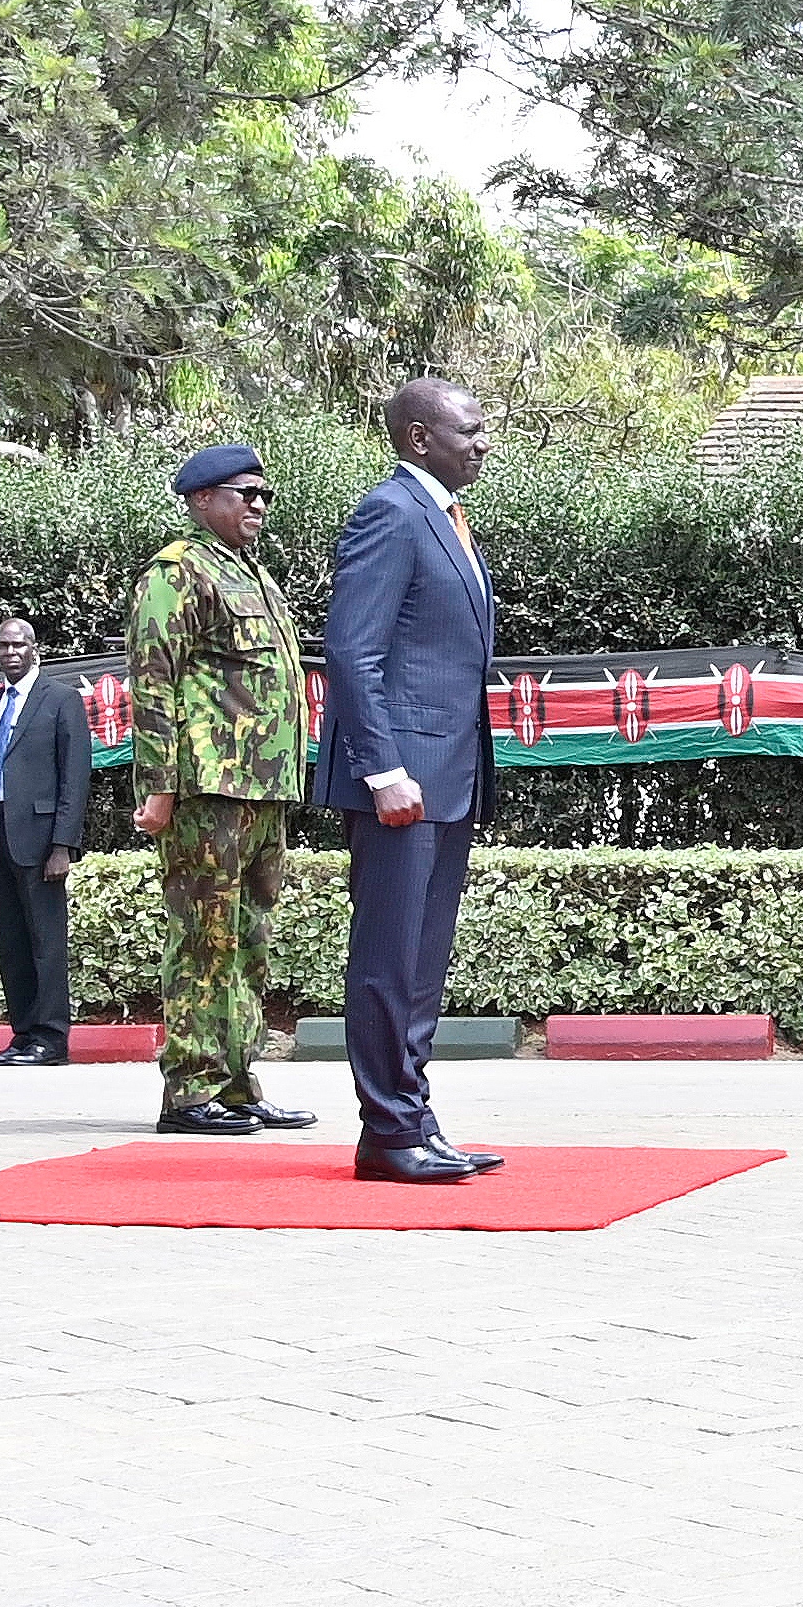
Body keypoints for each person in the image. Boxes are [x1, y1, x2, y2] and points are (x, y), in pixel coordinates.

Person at [314, 379, 510, 1183]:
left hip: (448, 772)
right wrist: (383, 768)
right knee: (388, 957)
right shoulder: (390, 513)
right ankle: (388, 1130)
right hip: (403, 778)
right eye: (470, 429)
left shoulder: (445, 517)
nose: (484, 441)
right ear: (421, 437)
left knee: (423, 959)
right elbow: (351, 652)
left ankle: (412, 1116)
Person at [128, 444, 317, 1138]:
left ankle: (237, 1082)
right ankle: (188, 1091)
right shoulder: (176, 573)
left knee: (249, 939)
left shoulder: (254, 576)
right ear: (202, 498)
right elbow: (152, 681)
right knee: (204, 940)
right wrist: (158, 786)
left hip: (262, 787)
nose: (258, 505)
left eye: (265, 493)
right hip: (207, 786)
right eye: (244, 492)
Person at [0, 617, 92, 1066]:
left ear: (35, 648)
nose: (10, 652)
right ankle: (22, 1033)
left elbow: (74, 776)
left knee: (45, 940)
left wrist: (63, 844)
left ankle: (51, 1038)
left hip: (40, 840)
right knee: (12, 940)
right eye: (2, 645)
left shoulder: (61, 700)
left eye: (19, 645)